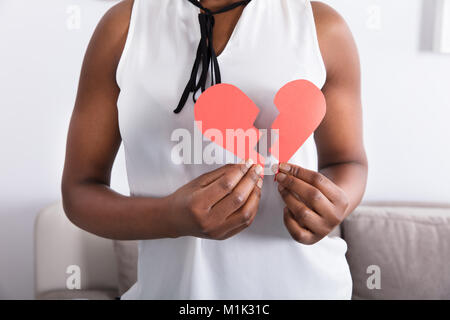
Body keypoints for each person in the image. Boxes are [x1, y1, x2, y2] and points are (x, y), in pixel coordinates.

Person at [62, 0, 368, 299]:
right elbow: (79, 191)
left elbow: (348, 161)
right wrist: (170, 217)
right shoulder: (124, 27)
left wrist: (331, 204)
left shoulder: (320, 27)